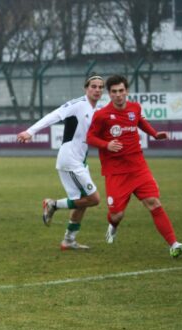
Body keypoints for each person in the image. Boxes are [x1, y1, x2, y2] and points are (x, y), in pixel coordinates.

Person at [86, 74, 182, 258]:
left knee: (154, 203)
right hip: (116, 172)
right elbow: (90, 137)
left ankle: (173, 244)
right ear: (109, 94)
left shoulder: (135, 107)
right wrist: (106, 145)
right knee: (117, 215)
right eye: (114, 92)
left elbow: (140, 121)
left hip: (138, 167)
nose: (118, 95)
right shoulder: (101, 115)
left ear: (126, 91)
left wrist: (155, 134)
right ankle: (113, 225)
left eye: (121, 91)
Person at [16, 75, 105, 250]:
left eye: (100, 87)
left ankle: (69, 240)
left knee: (82, 201)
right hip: (70, 159)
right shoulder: (79, 104)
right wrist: (30, 131)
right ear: (85, 88)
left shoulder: (96, 109)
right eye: (93, 86)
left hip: (79, 160)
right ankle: (53, 204)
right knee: (94, 199)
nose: (97, 90)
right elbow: (54, 115)